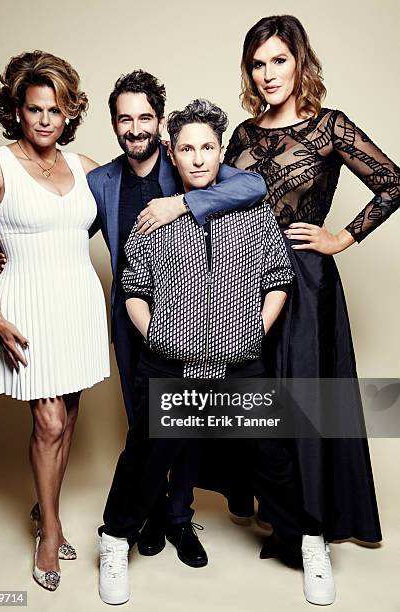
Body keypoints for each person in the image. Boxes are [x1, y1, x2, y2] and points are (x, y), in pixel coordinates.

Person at [98, 98, 314, 606]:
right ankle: (114, 539)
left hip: (240, 358)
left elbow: (279, 279)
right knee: (146, 453)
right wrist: (157, 337)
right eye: (188, 148)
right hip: (169, 361)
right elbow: (132, 286)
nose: (198, 158)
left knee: (271, 451)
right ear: (173, 153)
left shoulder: (251, 209)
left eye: (208, 147)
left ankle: (306, 541)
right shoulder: (153, 216)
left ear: (222, 152)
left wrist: (254, 332)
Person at [214, 14, 398, 605]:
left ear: (300, 63)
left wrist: (340, 236)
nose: (268, 74)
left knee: (304, 404)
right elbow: (212, 205)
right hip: (239, 284)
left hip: (303, 281)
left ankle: (313, 534)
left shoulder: (329, 128)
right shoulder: (240, 135)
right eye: (258, 63)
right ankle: (272, 508)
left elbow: (393, 181)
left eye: (279, 60)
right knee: (254, 401)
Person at [87, 70, 271, 566]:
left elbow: (252, 185)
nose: (136, 127)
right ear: (114, 124)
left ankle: (178, 518)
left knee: (185, 424)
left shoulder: (186, 164)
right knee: (147, 429)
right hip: (133, 317)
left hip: (199, 324)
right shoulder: (99, 180)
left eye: (145, 116)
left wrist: (184, 201)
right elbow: (63, 228)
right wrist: (7, 251)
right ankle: (145, 514)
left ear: (162, 124)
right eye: (125, 118)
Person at [0, 50, 109, 591]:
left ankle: (40, 508)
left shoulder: (85, 167)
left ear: (69, 112)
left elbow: (126, 202)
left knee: (68, 418)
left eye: (56, 109)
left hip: (77, 301)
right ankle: (49, 530)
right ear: (17, 111)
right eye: (35, 109)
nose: (46, 119)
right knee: (48, 422)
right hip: (25, 304)